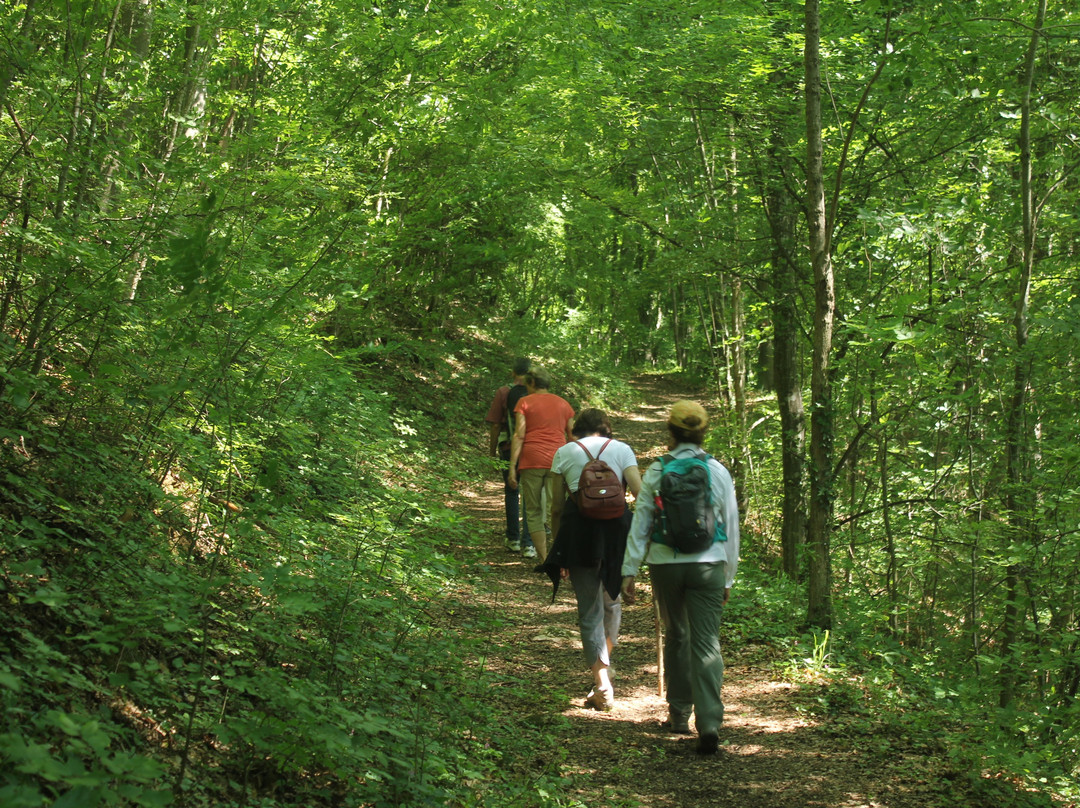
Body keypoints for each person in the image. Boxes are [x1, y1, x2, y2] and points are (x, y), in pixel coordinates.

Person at [621, 400, 740, 755]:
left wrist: (630, 570)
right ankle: (710, 723)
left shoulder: (657, 470)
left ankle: (678, 714)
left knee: (676, 635)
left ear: (669, 432)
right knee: (707, 642)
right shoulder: (717, 470)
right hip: (710, 563)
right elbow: (731, 527)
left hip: (665, 563)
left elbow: (641, 523)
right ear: (704, 433)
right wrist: (728, 576)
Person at [539, 409, 642, 711]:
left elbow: (557, 508)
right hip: (617, 534)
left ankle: (601, 682)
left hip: (579, 533)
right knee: (612, 603)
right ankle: (605, 669)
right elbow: (639, 492)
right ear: (607, 429)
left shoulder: (565, 452)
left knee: (589, 611)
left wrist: (561, 549)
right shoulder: (622, 449)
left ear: (577, 430)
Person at [507, 368, 574, 562]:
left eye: (528, 384)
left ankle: (545, 559)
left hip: (531, 461)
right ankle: (560, 557)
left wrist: (512, 466)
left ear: (533, 383)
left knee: (534, 511)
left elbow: (519, 434)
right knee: (557, 509)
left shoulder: (524, 402)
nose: (527, 389)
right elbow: (572, 434)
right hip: (558, 460)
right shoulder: (563, 404)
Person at [484, 358, 536, 557]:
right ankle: (529, 544)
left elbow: (496, 424)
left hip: (508, 447)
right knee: (531, 496)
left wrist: (491, 452)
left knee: (512, 492)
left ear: (513, 373)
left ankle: (513, 539)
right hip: (534, 449)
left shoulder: (504, 392)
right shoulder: (539, 393)